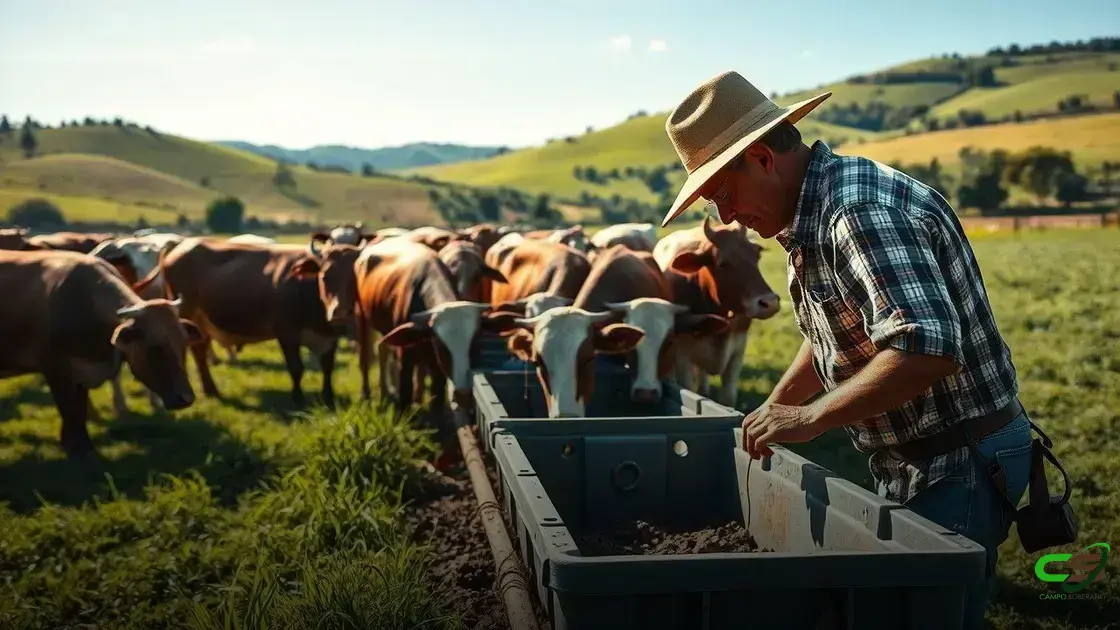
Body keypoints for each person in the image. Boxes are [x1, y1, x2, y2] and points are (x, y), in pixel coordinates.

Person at [659, 70, 1033, 630]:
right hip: (923, 454)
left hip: (958, 460)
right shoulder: (807, 216)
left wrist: (810, 417)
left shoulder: (854, 212)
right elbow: (838, 330)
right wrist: (778, 403)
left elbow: (926, 348)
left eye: (723, 194)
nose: (728, 216)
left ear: (762, 158)